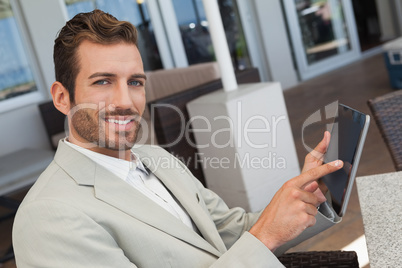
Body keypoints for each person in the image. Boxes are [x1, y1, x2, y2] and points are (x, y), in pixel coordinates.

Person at [12, 10, 343, 267]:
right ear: (62, 98)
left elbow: (228, 233)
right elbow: (257, 241)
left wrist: (305, 199)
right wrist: (265, 236)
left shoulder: (156, 158)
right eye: (102, 82)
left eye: (135, 82)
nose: (125, 101)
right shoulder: (48, 217)